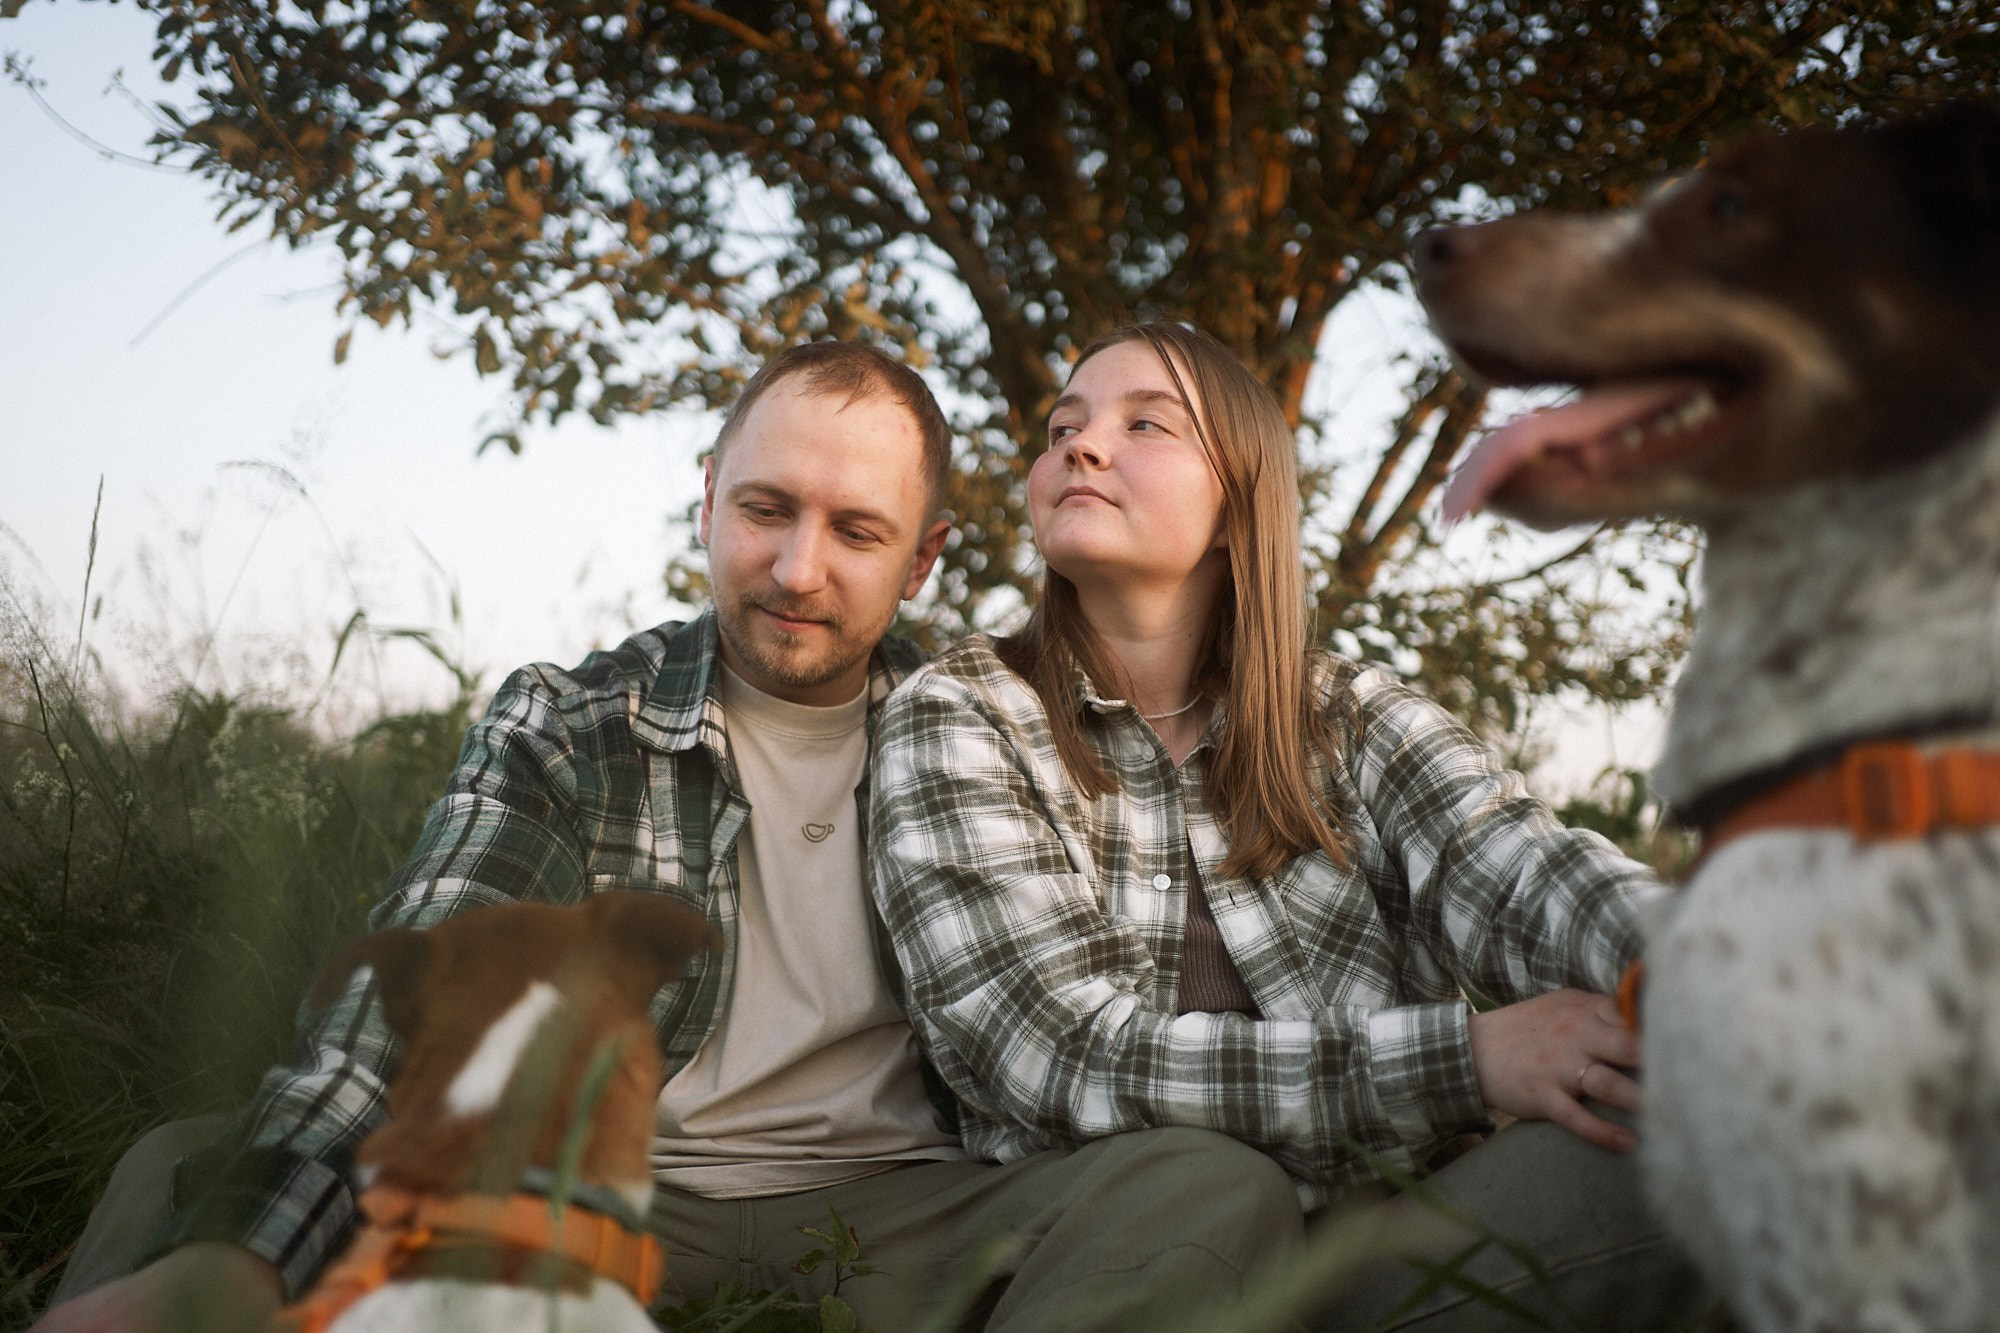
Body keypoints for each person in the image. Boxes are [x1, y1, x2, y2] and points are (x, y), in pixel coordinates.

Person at [34, 341, 1298, 1333]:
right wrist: (241, 1258)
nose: (797, 569)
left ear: (922, 560)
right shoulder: (572, 720)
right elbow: (420, 990)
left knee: (1201, 1185)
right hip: (610, 1192)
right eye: (765, 509)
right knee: (187, 1168)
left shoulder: (997, 729)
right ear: (705, 501)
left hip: (913, 1204)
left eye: (855, 532)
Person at [867, 321, 1706, 1327]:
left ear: (1237, 505)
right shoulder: (959, 711)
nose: (1078, 447)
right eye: (1063, 428)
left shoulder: (1346, 718)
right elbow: (1055, 1056)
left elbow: (1529, 874)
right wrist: (1467, 1060)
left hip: (1374, 1250)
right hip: (1130, 1262)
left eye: (1146, 423)